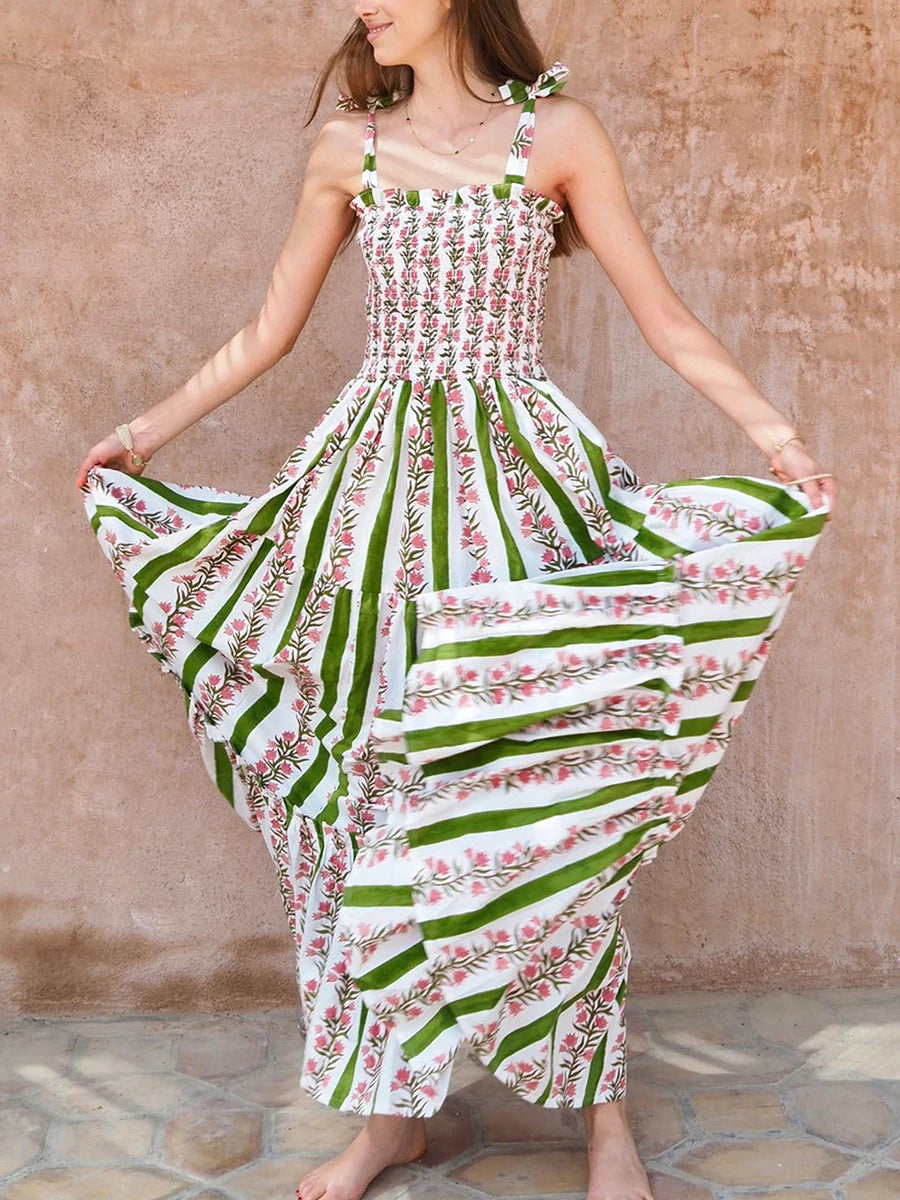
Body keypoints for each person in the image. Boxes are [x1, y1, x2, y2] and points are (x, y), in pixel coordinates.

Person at [76, 3, 837, 1198]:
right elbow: (268, 331)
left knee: (538, 787)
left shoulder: (561, 134)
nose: (360, 6)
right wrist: (137, 436)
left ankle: (604, 1126)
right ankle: (391, 1115)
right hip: (369, 506)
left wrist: (779, 440)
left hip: (520, 496)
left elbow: (662, 312)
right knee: (369, 796)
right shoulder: (348, 146)